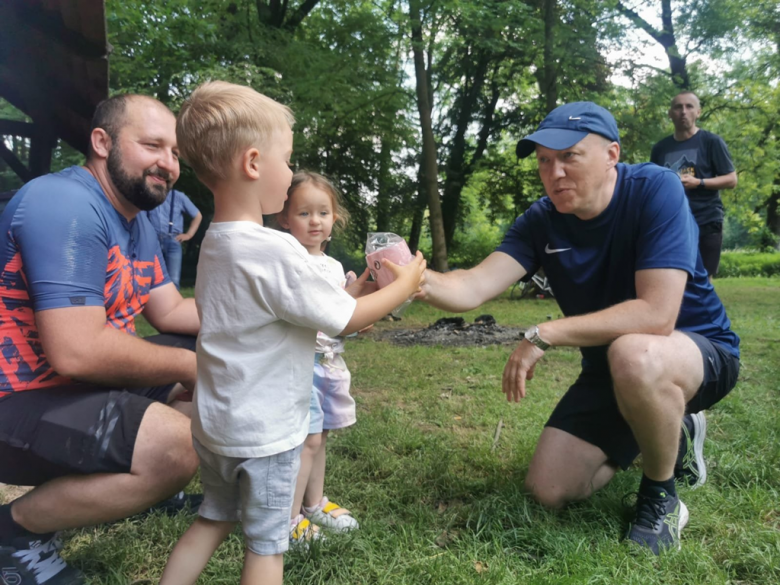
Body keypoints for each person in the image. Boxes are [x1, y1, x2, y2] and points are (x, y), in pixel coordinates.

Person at [420, 102, 740, 555]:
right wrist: (412, 279)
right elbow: (473, 285)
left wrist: (545, 333)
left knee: (635, 354)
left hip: (697, 353)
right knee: (548, 490)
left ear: (612, 154)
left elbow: (656, 314)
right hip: (611, 369)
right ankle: (665, 422)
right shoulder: (542, 219)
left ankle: (661, 494)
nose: (555, 172)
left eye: (570, 155)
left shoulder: (656, 189)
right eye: (545, 161)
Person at [160, 81, 425, 585]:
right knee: (266, 548)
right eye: (287, 159)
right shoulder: (274, 250)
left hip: (217, 428)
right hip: (265, 435)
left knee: (210, 520)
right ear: (254, 164)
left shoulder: (215, 244)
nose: (290, 171)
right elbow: (346, 319)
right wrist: (406, 283)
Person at [0, 94, 202, 583]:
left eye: (174, 152)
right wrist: (196, 368)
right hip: (17, 397)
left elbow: (172, 310)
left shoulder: (138, 221)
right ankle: (13, 533)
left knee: (215, 363)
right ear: (101, 142)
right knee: (178, 446)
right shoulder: (64, 204)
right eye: (152, 145)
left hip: (73, 388)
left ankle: (148, 489)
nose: (168, 163)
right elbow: (77, 350)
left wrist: (282, 313)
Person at [275, 172, 361, 545]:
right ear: (284, 218)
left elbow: (341, 315)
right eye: (304, 213)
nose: (315, 221)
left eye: (323, 213)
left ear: (334, 219)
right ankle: (289, 521)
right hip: (299, 363)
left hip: (328, 363)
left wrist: (360, 290)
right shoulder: (287, 259)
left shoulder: (332, 265)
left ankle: (314, 505)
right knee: (306, 440)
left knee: (320, 438)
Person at [651, 92, 738, 280]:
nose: (683, 111)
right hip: (673, 219)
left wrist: (699, 182)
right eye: (678, 107)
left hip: (706, 217)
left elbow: (731, 179)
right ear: (670, 113)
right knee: (673, 275)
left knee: (703, 277)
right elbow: (655, 184)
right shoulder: (660, 149)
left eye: (689, 107)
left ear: (698, 112)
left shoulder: (711, 142)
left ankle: (705, 309)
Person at [145, 188, 203, 289]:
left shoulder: (178, 197)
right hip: (152, 241)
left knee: (174, 279)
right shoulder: (148, 196)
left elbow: (197, 216)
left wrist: (189, 234)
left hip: (173, 241)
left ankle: (172, 304)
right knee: (150, 278)